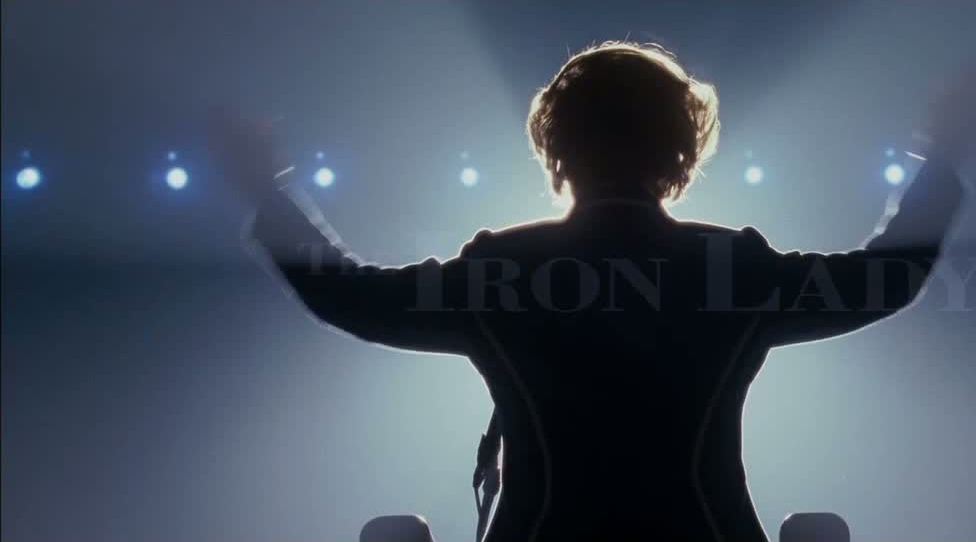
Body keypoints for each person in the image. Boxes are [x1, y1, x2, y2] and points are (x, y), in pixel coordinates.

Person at [210, 42, 971, 542]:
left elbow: (351, 298)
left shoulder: (502, 268)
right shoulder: (731, 265)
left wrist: (266, 192)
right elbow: (889, 277)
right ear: (680, 154)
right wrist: (941, 158)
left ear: (557, 149)